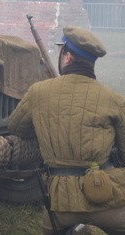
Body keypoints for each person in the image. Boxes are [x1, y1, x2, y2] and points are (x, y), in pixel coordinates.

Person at [8, 27, 125, 234]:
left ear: (68, 57)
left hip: (61, 204)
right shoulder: (114, 99)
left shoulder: (38, 92)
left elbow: (16, 127)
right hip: (108, 195)